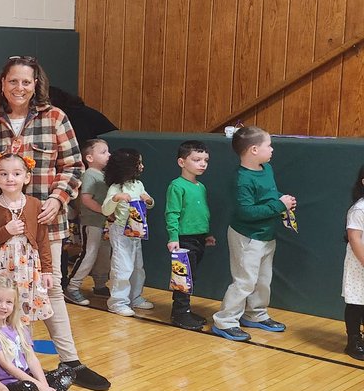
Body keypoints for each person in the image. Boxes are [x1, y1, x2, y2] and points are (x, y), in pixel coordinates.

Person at [0, 56, 110, 391]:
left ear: (36, 85)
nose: (19, 88)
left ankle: (70, 360)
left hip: (45, 224)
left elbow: (73, 167)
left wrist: (57, 200)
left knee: (50, 286)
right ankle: (1, 362)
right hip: (0, 230)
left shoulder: (56, 119)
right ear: (2, 84)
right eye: (12, 81)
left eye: (26, 82)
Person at [211, 127, 297, 341]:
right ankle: (225, 321)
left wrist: (281, 200)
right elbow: (246, 212)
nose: (272, 149)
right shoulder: (242, 180)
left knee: (263, 280)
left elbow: (269, 195)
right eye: (269, 145)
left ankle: (255, 314)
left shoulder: (266, 169)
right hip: (247, 237)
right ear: (254, 150)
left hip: (266, 235)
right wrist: (279, 205)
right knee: (244, 281)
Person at [0, 277, 81, 391]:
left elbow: (31, 359)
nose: (3, 306)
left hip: (28, 376)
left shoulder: (19, 327)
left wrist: (44, 385)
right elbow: (8, 366)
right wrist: (40, 386)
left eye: (9, 302)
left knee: (68, 371)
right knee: (28, 388)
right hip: (8, 385)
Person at [0, 149, 54, 326]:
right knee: (0, 311)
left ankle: (24, 349)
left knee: (24, 314)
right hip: (1, 269)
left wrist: (47, 270)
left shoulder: (35, 204)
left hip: (27, 268)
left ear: (26, 178)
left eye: (16, 174)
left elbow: (42, 240)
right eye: (3, 174)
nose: (10, 178)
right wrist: (6, 231)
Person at [165, 141, 216, 330]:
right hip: (184, 240)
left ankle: (184, 310)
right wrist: (173, 237)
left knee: (191, 277)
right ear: (181, 162)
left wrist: (207, 234)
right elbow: (172, 213)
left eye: (205, 160)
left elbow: (202, 212)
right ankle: (179, 313)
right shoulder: (177, 186)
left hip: (199, 238)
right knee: (182, 277)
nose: (202, 164)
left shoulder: (200, 186)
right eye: (196, 160)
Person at [102, 148, 155, 317]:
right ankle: (117, 301)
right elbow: (105, 210)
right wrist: (116, 199)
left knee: (137, 267)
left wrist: (148, 200)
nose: (142, 166)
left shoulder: (138, 185)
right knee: (122, 266)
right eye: (138, 163)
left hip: (136, 230)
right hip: (120, 230)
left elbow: (146, 198)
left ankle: (135, 296)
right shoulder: (116, 188)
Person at [63, 138, 112, 305]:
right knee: (89, 253)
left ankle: (100, 284)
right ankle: (72, 287)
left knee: (103, 254)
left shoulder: (103, 175)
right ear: (89, 158)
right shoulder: (90, 174)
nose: (108, 155)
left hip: (103, 222)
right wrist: (104, 210)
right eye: (103, 152)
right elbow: (86, 199)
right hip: (91, 222)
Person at [343, 165, 364, 360]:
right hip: (360, 264)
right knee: (357, 303)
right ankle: (353, 341)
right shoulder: (359, 209)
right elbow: (355, 238)